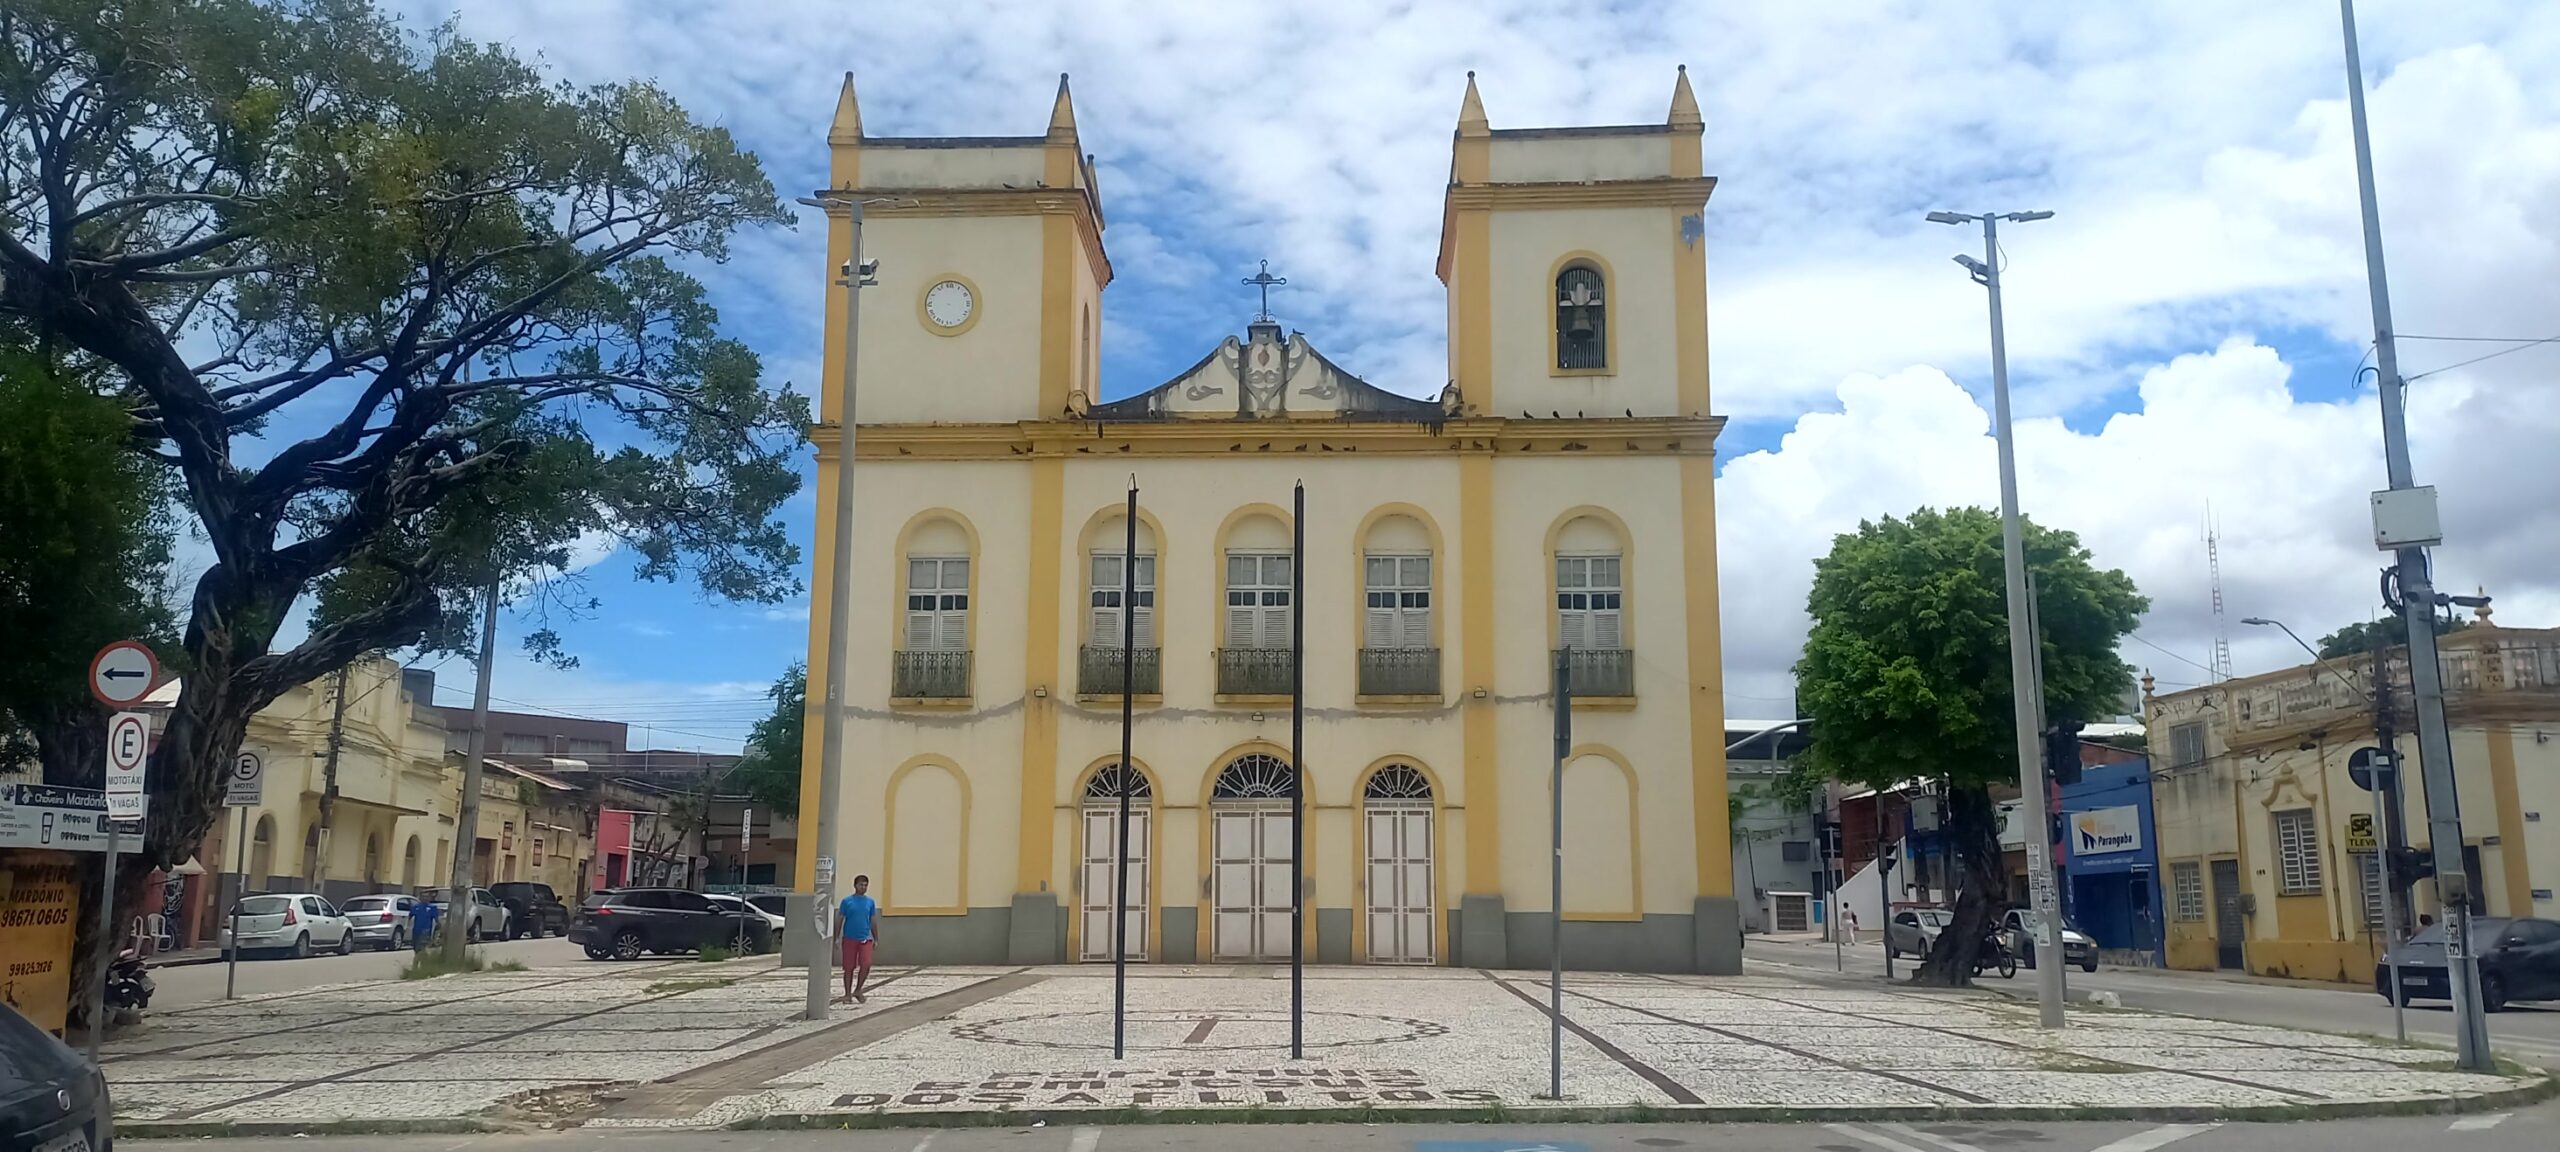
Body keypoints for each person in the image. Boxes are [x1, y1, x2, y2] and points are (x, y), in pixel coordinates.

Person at [836, 875, 880, 1004]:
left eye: (866, 885)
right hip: (849, 938)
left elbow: (873, 920)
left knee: (866, 964)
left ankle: (858, 989)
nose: (863, 887)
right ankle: (847, 993)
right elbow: (840, 919)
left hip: (865, 938)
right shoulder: (847, 901)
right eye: (861, 885)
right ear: (855, 886)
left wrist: (876, 937)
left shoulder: (870, 902)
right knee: (849, 967)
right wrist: (837, 937)